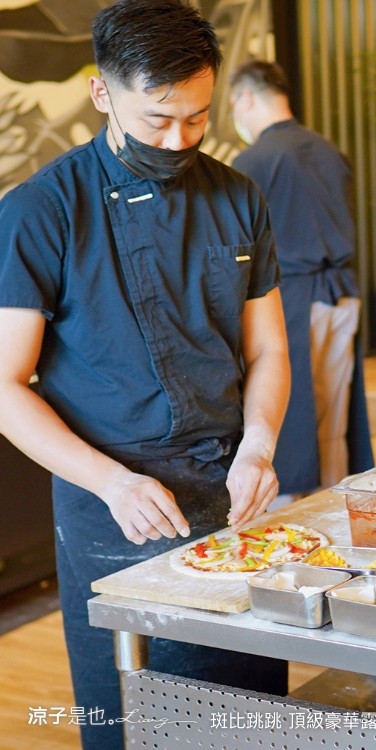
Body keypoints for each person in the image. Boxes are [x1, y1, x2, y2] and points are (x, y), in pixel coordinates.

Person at [0, 1, 292, 748]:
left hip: (230, 489)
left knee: (249, 719)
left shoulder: (238, 197)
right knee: (133, 722)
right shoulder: (41, 210)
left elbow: (268, 353)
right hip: (114, 501)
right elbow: (6, 384)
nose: (178, 138)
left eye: (197, 118)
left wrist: (259, 445)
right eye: (158, 119)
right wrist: (111, 483)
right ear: (102, 93)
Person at [229, 60, 373, 497]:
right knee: (333, 412)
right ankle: (336, 504)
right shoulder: (327, 150)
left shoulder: (254, 160)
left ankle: (299, 517)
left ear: (246, 98)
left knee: (293, 414)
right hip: (342, 295)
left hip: (292, 298)